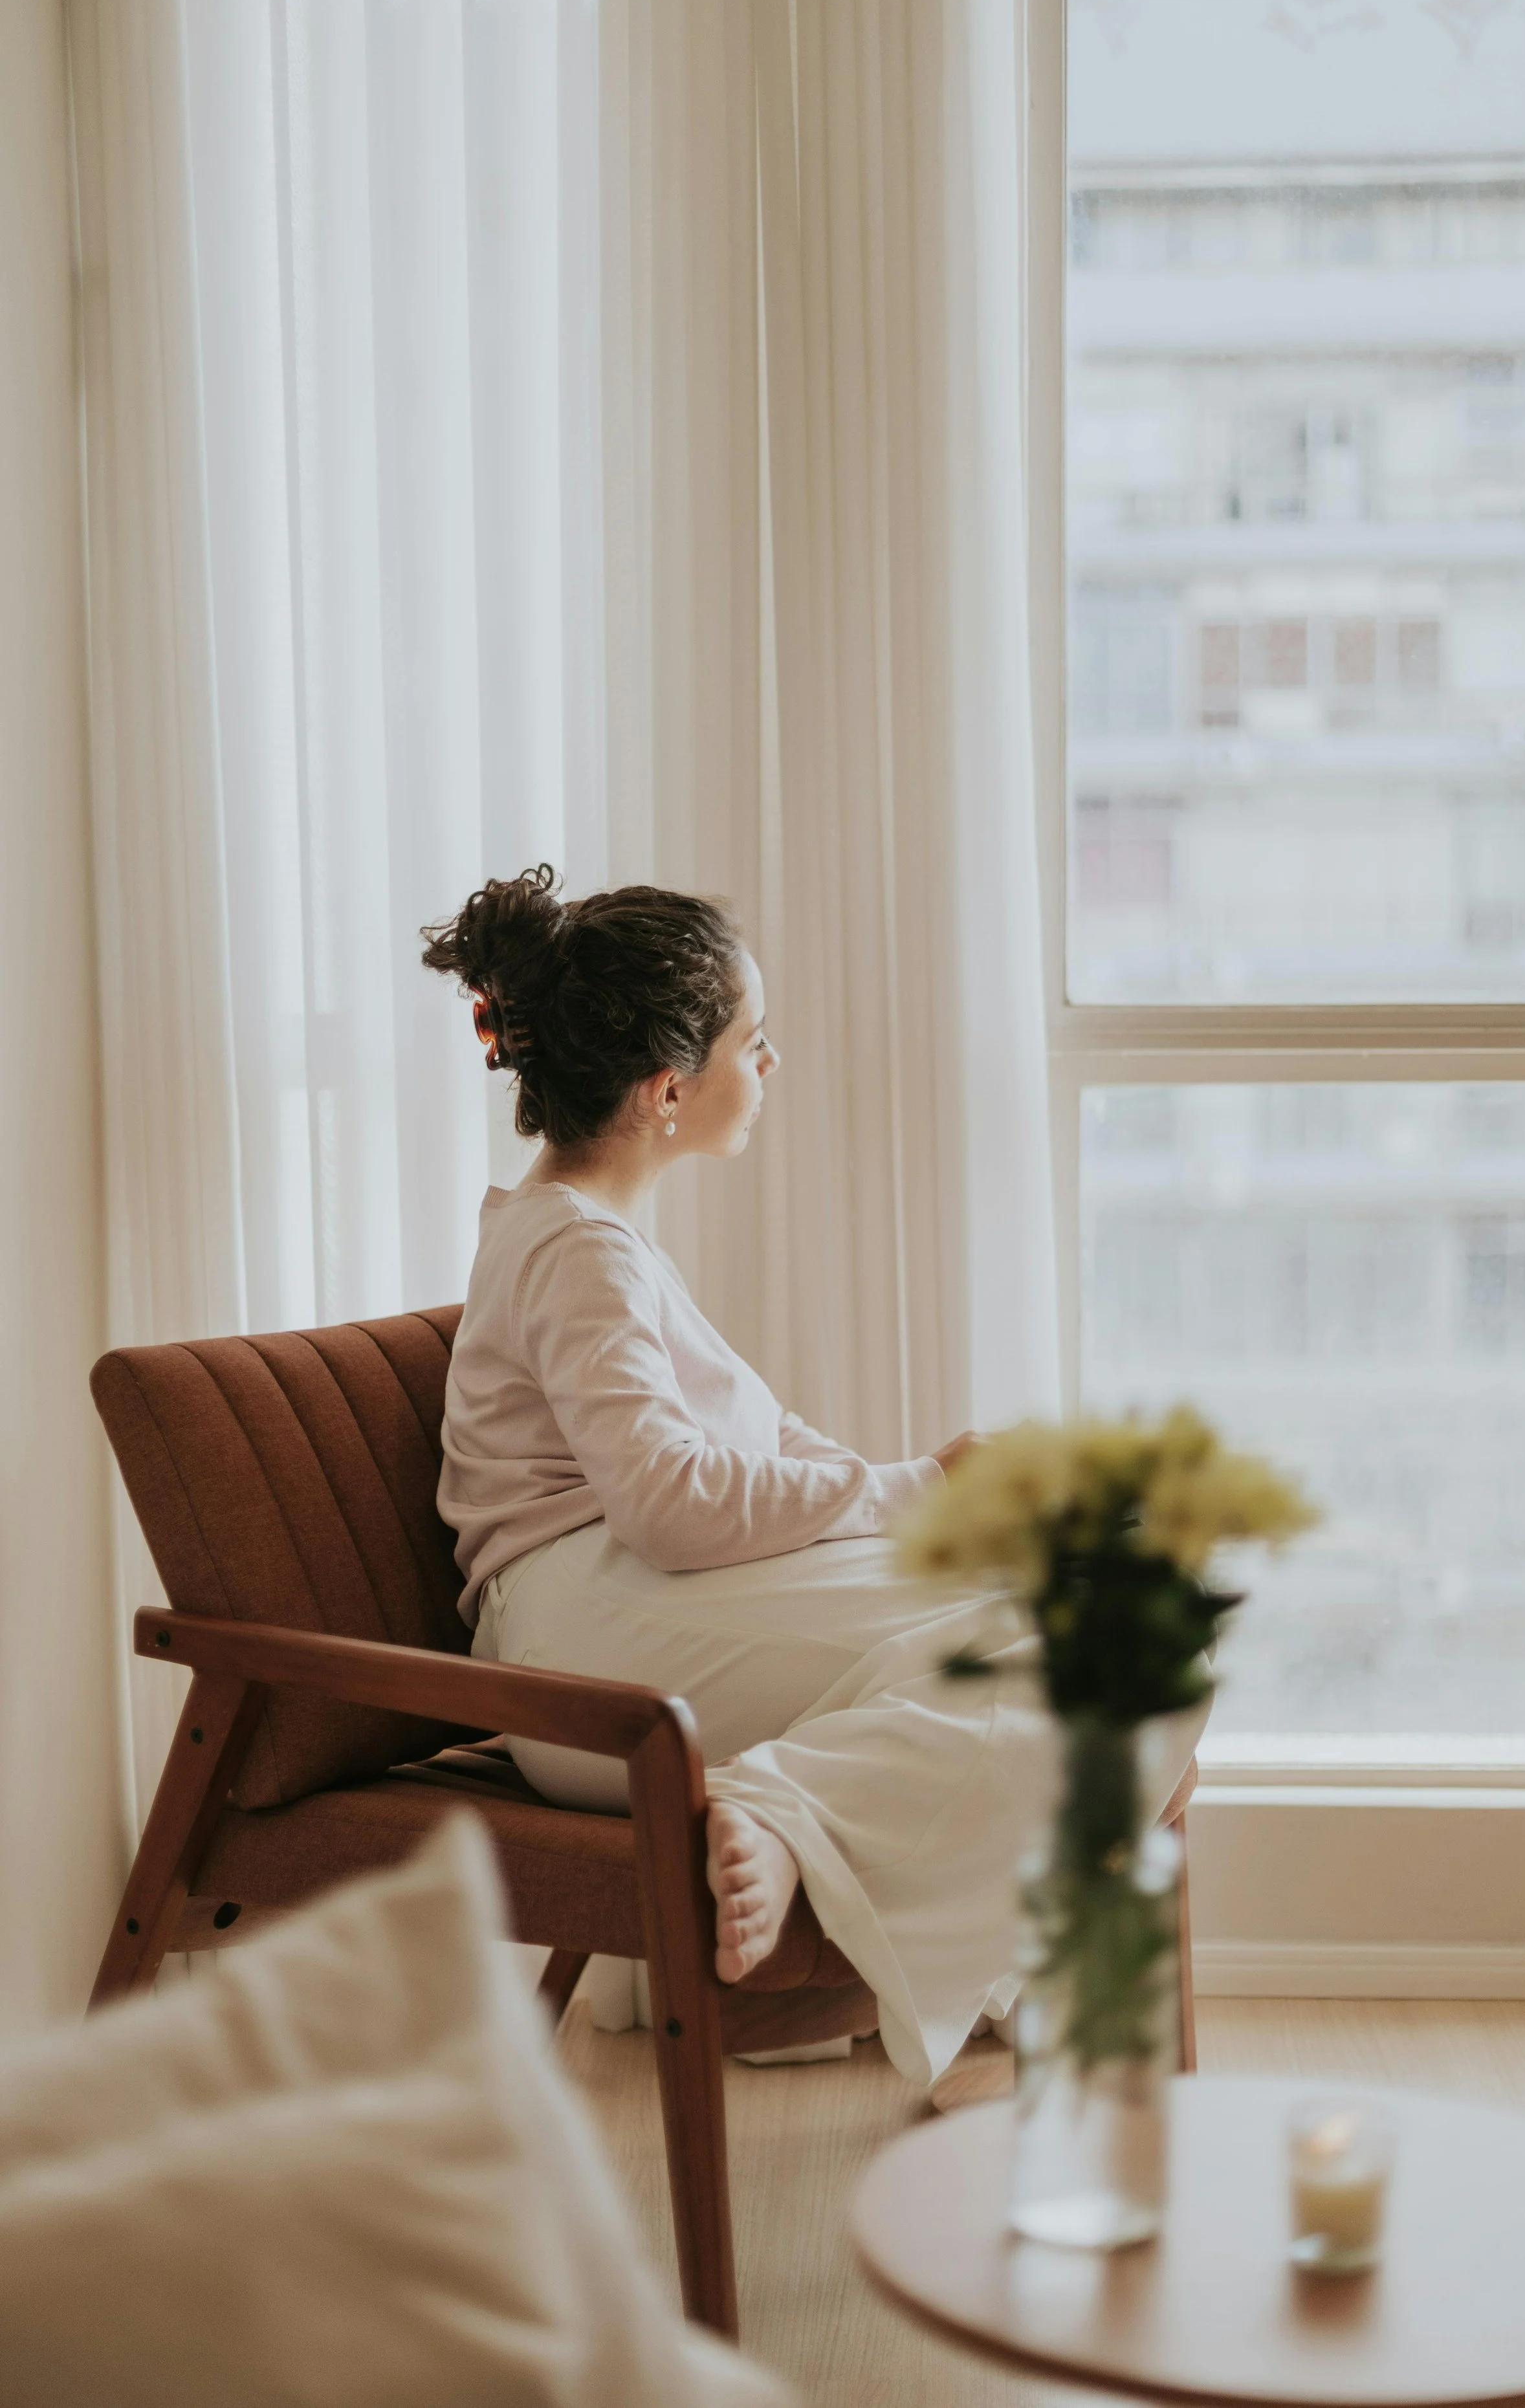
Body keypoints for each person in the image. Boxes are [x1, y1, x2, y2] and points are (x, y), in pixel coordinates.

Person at [424, 866, 1200, 2088]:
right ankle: (794, 1824)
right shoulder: (579, 1254)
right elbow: (671, 1504)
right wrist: (914, 1489)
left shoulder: (589, 1240)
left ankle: (823, 1851)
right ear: (669, 1088)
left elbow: (753, 1457)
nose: (771, 1064)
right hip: (589, 1648)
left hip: (632, 1607)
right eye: (756, 1040)